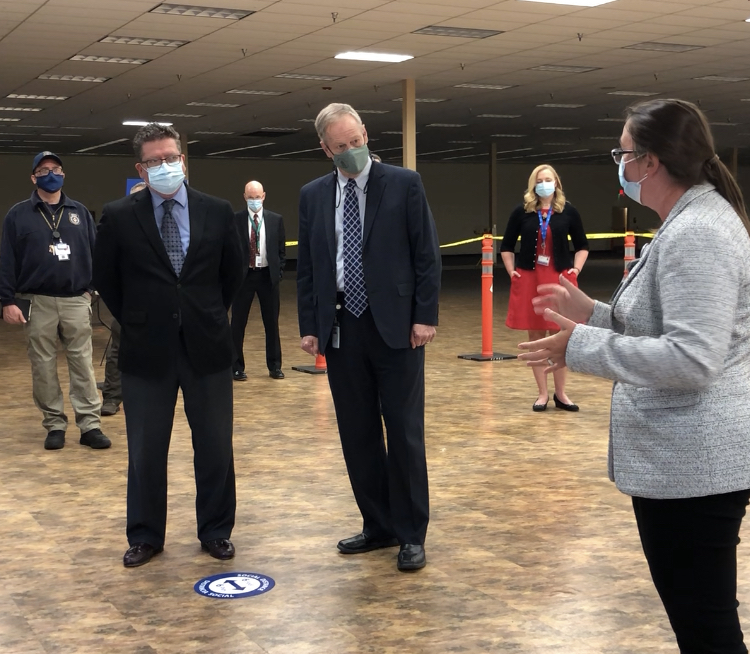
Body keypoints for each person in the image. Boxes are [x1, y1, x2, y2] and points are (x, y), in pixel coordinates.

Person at [519, 98, 750, 653]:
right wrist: (592, 313)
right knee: (701, 619)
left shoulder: (699, 232)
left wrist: (581, 346)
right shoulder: (687, 220)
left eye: (622, 153)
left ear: (650, 163)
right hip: (685, 463)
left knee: (707, 628)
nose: (617, 164)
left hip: (696, 465)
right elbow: (658, 324)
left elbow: (692, 359)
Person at [93, 124, 245, 568]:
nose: (165, 165)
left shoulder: (217, 211)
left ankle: (216, 530)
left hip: (208, 348)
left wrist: (207, 312)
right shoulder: (119, 215)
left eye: (171, 157)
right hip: (147, 351)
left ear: (184, 159)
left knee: (216, 445)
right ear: (141, 167)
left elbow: (230, 275)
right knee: (145, 449)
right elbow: (107, 279)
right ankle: (145, 535)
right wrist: (141, 317)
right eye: (156, 160)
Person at [297, 103, 441, 572]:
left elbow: (426, 254)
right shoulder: (314, 195)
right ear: (326, 149)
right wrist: (310, 326)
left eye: (357, 140)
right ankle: (377, 524)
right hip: (341, 326)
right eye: (342, 146)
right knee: (357, 433)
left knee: (402, 432)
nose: (353, 151)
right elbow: (309, 267)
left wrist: (425, 316)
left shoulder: (404, 183)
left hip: (397, 325)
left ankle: (411, 533)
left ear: (365, 133)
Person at [0, 151, 110, 450]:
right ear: (33, 177)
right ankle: (55, 425)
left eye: (56, 169)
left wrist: (91, 290)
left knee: (83, 364)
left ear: (64, 174)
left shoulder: (79, 212)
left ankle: (89, 425)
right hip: (37, 300)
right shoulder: (18, 214)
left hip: (76, 299)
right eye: (44, 169)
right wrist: (6, 299)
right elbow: (6, 259)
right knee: (43, 365)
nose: (51, 173)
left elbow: (96, 253)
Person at [500, 164, 588, 412]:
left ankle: (561, 393)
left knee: (562, 334)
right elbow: (506, 245)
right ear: (533, 184)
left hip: (559, 278)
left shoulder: (568, 212)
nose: (544, 184)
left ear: (556, 183)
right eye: (540, 180)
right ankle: (542, 394)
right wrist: (511, 270)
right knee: (536, 336)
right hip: (530, 277)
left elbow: (582, 245)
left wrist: (576, 269)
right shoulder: (522, 212)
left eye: (548, 179)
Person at [100, 181, 149, 416]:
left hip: (161, 303)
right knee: (118, 350)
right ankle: (112, 397)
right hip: (127, 303)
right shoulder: (119, 228)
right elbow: (105, 269)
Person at [230, 180, 286, 381]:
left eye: (257, 197)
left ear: (264, 196)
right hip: (244, 277)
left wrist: (278, 273)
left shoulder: (274, 219)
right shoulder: (235, 220)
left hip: (266, 276)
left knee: (271, 323)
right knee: (238, 323)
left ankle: (275, 365)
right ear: (245, 197)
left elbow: (281, 250)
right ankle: (236, 366)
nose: (254, 200)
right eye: (250, 197)